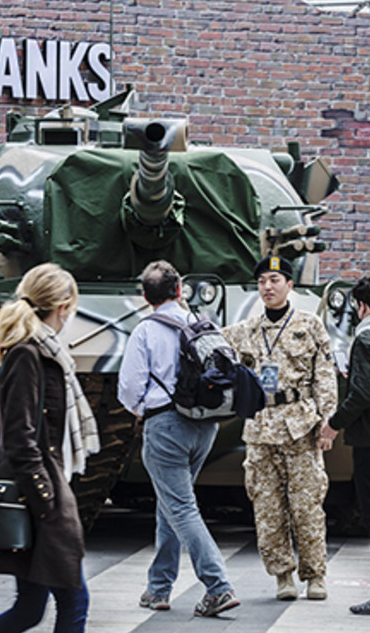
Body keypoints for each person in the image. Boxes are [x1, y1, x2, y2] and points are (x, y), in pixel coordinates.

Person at [0, 262, 101, 633]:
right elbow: (19, 437)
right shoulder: (28, 355)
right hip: (40, 499)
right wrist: (46, 500)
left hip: (46, 491)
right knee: (74, 600)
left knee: (30, 608)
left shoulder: (46, 353)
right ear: (62, 307)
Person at [117, 260, 240, 617]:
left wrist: (141, 409)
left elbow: (128, 387)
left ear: (144, 296)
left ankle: (218, 587)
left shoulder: (144, 331)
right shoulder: (200, 323)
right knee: (169, 503)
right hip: (205, 426)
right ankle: (158, 588)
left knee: (181, 506)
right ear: (179, 288)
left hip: (165, 426)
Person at [222, 255, 338, 601]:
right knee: (267, 508)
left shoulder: (309, 324)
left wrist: (328, 422)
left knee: (307, 506)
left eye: (274, 280)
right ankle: (282, 576)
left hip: (300, 425)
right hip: (260, 428)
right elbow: (212, 342)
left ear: (290, 284)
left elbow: (325, 375)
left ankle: (315, 576)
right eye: (261, 282)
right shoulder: (247, 329)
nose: (267, 287)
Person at [318, 276, 370, 616]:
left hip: (366, 439)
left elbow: (362, 394)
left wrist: (333, 424)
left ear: (360, 305)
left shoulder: (365, 336)